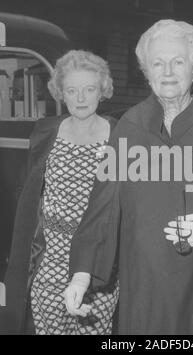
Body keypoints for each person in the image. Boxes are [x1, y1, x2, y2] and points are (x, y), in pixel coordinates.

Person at [64, 20, 193, 334]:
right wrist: (82, 272)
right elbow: (103, 207)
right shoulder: (129, 126)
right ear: (146, 72)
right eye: (157, 63)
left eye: (178, 62)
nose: (168, 72)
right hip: (143, 286)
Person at [2, 50, 119, 335]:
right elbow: (29, 198)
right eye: (72, 90)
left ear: (102, 91)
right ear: (60, 93)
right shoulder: (44, 133)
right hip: (49, 259)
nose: (80, 98)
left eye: (89, 89)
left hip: (98, 264)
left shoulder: (119, 136)